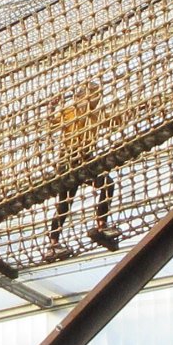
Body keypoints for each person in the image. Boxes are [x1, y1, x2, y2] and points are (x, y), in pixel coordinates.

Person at [44, 83, 116, 257]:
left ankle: (101, 224)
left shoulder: (97, 115)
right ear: (81, 97)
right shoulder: (70, 112)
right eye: (93, 95)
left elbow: (115, 121)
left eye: (97, 96)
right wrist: (51, 108)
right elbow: (52, 124)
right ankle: (53, 244)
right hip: (69, 160)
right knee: (65, 202)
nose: (96, 100)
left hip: (86, 159)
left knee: (107, 184)